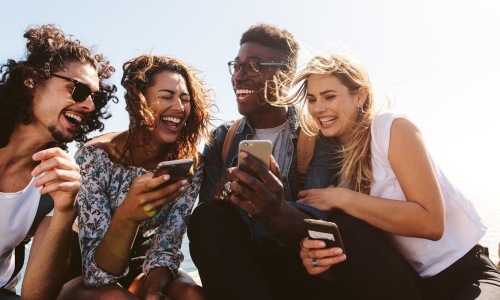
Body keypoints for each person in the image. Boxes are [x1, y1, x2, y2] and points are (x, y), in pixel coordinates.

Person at [188, 23, 422, 300]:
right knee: (207, 217)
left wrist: (275, 209)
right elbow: (209, 222)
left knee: (346, 228)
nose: (238, 76)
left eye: (252, 66)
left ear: (285, 74)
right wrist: (222, 196)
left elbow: (322, 222)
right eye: (236, 66)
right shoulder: (223, 137)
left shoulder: (317, 135)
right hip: (246, 271)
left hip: (305, 268)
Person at [286, 53, 500, 299]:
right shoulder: (332, 164)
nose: (318, 108)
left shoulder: (390, 127)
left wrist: (342, 198)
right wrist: (317, 261)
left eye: (329, 96)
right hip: (407, 283)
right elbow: (350, 257)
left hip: (465, 274)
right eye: (312, 99)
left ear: (360, 96)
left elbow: (431, 223)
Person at [58, 55, 211, 300]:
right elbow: (98, 277)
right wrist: (128, 215)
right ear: (139, 101)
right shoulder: (95, 157)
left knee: (194, 294)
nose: (180, 108)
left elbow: (167, 246)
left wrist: (154, 290)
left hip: (145, 268)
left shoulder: (189, 164)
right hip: (84, 272)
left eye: (185, 99)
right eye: (166, 96)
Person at [0, 24, 116, 299]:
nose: (88, 105)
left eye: (95, 98)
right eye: (77, 90)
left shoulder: (57, 181)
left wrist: (66, 210)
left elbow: (37, 296)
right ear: (32, 82)